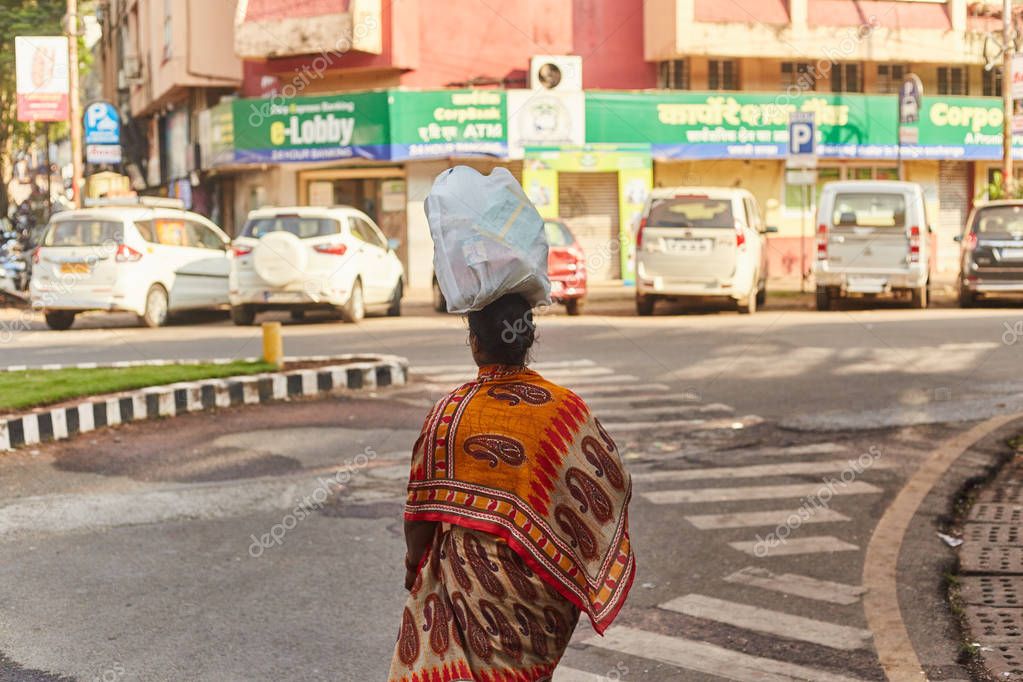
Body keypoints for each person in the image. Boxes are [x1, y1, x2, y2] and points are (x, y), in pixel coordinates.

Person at [388, 293, 636, 682]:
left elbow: (418, 513)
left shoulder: (448, 415)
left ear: (474, 343)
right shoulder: (567, 410)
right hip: (543, 602)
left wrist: (413, 567)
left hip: (469, 594)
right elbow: (611, 480)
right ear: (529, 338)